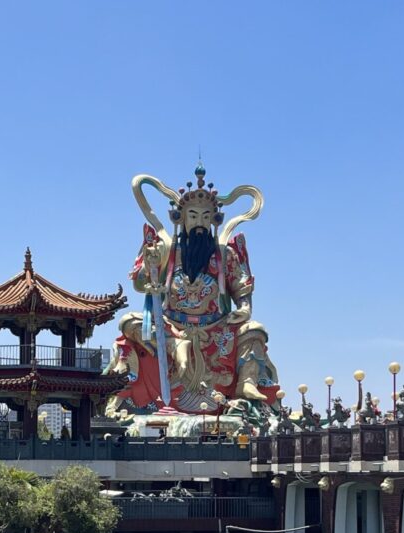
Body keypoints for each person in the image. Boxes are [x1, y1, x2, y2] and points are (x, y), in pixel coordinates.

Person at [106, 163, 281, 415]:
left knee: (254, 331)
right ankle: (128, 382)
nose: (199, 223)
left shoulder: (224, 255)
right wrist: (151, 265)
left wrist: (244, 309)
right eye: (193, 216)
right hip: (171, 328)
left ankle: (246, 384)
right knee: (129, 323)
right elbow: (141, 284)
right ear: (181, 218)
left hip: (216, 329)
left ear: (213, 220)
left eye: (205, 217)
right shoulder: (167, 251)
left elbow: (242, 292)